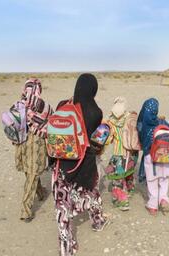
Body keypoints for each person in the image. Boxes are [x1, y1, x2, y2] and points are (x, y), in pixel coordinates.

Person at [52, 73, 109, 256]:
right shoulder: (96, 112)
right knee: (91, 192)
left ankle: (66, 247)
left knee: (62, 206)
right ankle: (98, 222)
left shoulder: (63, 105)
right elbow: (96, 141)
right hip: (84, 163)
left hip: (62, 164)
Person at [15, 78, 53, 222]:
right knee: (33, 173)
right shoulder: (43, 106)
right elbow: (52, 119)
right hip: (36, 143)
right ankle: (25, 209)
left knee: (30, 172)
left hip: (22, 142)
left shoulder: (19, 105)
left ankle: (41, 192)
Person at [137, 98, 169, 216]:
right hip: (166, 156)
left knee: (152, 180)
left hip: (151, 156)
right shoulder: (162, 122)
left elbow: (140, 139)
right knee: (164, 178)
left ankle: (153, 206)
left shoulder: (143, 125)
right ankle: (163, 199)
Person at [104, 97, 139, 211]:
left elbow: (108, 140)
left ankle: (121, 201)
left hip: (118, 153)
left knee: (117, 179)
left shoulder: (110, 123)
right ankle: (129, 190)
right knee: (129, 173)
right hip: (131, 152)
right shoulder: (130, 118)